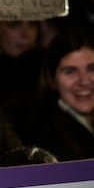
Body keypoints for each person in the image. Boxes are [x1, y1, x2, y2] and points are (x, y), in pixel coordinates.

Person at [32, 26, 94, 161]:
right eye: (70, 71)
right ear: (52, 79)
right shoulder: (43, 139)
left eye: (92, 69)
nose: (84, 81)